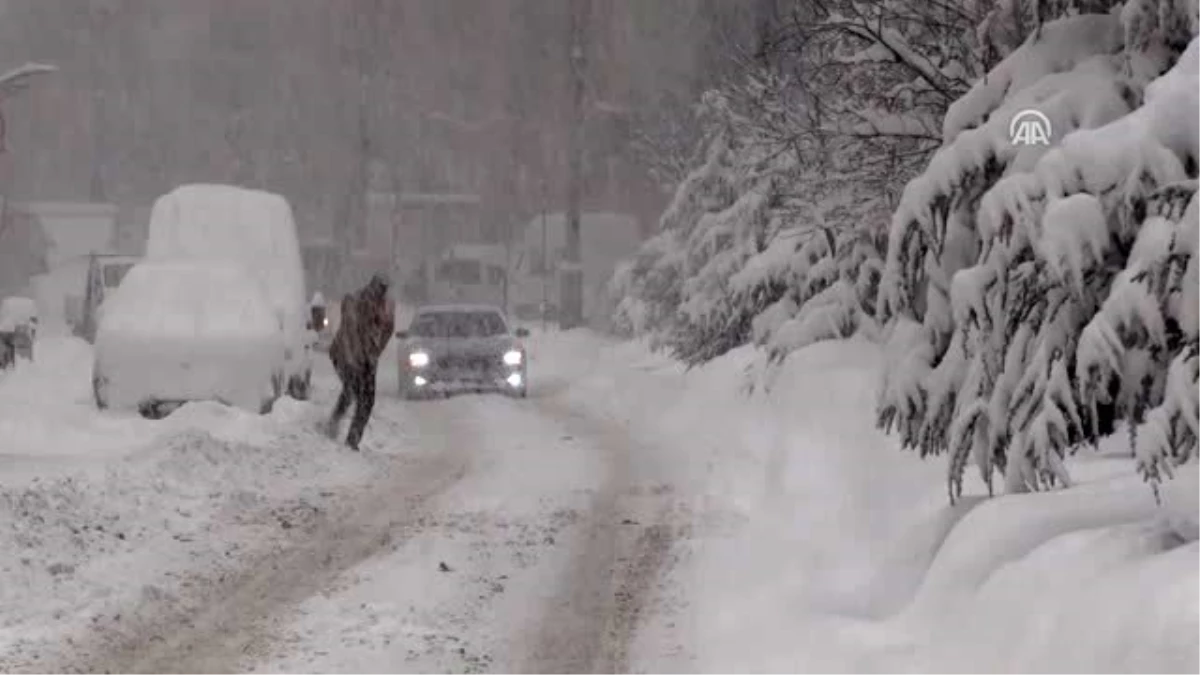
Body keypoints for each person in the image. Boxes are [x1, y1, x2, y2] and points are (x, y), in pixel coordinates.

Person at [325, 273, 395, 450]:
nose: (382, 294)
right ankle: (334, 427)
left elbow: (387, 331)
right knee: (352, 391)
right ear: (372, 287)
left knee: (366, 399)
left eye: (384, 291)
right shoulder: (358, 302)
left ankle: (352, 439)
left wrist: (374, 354)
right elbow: (350, 334)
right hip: (346, 355)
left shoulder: (382, 307)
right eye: (380, 289)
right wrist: (354, 361)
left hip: (366, 358)